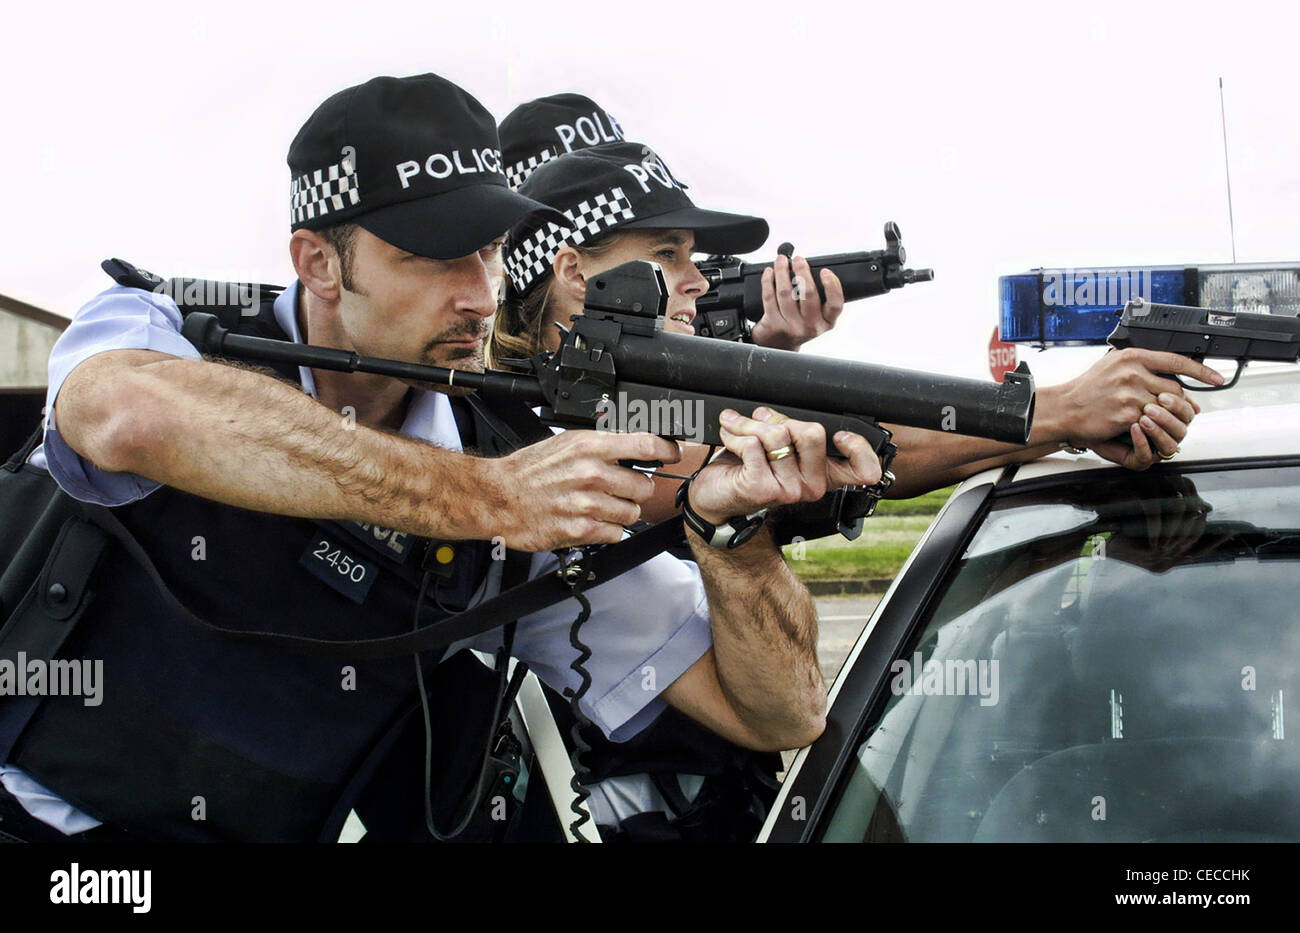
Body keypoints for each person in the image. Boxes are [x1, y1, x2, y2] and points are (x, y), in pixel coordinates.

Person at [0, 73, 883, 842]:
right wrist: (487, 499)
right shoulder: (166, 324)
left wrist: (735, 540)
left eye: (491, 250)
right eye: (431, 256)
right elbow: (118, 416)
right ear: (318, 262)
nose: (477, 293)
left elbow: (782, 712)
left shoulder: (515, 473)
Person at [488, 130, 1223, 839]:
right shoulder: (525, 437)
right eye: (665, 253)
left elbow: (870, 457)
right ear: (576, 273)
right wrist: (1057, 409)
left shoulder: (623, 408)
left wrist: (1060, 425)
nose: (700, 279)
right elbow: (711, 468)